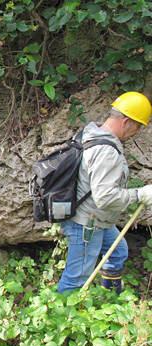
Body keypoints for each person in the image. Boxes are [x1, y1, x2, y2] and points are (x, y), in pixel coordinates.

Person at [58, 91, 152, 295]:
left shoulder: (90, 132)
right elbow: (105, 198)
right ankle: (60, 320)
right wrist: (139, 195)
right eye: (137, 127)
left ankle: (109, 301)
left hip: (91, 216)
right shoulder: (106, 150)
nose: (137, 132)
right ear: (126, 122)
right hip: (87, 223)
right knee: (76, 279)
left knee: (117, 252)